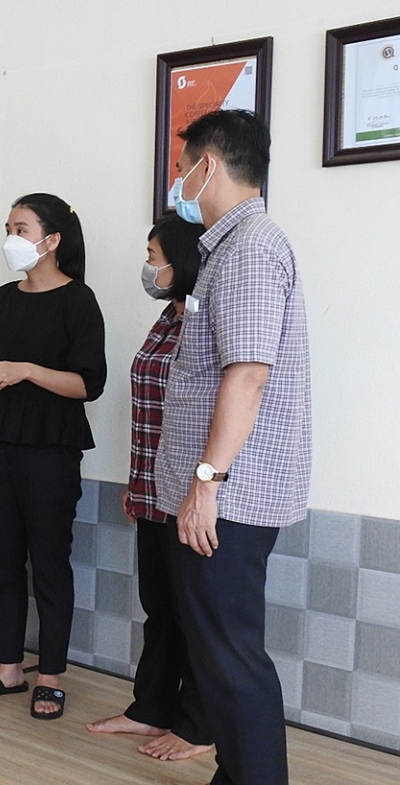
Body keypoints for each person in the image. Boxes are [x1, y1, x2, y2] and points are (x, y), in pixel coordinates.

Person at [156, 109, 310, 785]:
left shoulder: (248, 249)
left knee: (229, 656)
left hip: (229, 496)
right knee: (222, 653)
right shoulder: (233, 246)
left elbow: (247, 375)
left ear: (207, 166)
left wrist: (206, 483)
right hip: (225, 490)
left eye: (182, 168)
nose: (179, 183)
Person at [0, 193, 106, 720]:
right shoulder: (4, 297)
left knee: (49, 564)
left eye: (20, 228)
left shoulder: (78, 300)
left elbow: (88, 384)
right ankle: (8, 669)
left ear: (52, 239)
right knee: (2, 560)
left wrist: (26, 370)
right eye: (8, 228)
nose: (10, 238)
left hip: (52, 449)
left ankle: (51, 677)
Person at [86, 215, 212, 761]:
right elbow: (150, 410)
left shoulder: (208, 320)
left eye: (154, 256)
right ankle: (151, 708)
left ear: (181, 261)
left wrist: (202, 489)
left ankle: (201, 725)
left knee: (195, 614)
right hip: (153, 487)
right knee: (159, 606)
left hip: (194, 493)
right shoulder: (167, 317)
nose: (148, 267)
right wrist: (137, 481)